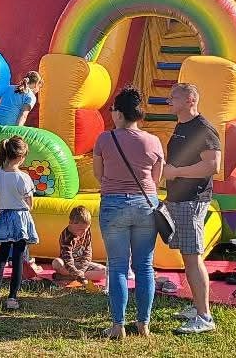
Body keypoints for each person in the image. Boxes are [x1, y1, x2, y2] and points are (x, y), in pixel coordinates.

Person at [91, 87, 165, 339]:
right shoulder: (154, 141)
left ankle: (117, 326)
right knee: (144, 266)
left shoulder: (104, 139)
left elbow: (99, 176)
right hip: (146, 205)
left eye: (113, 110)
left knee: (119, 267)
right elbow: (156, 179)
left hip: (113, 204)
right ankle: (144, 323)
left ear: (119, 114)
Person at [162, 82, 221, 334]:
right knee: (188, 256)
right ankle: (197, 307)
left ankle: (204, 317)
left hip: (192, 200)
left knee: (193, 256)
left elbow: (212, 166)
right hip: (178, 197)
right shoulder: (182, 126)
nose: (168, 101)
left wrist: (176, 172)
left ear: (189, 100)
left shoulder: (203, 129)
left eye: (173, 97)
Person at [0, 136, 38, 310]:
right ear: (21, 157)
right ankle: (12, 297)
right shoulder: (23, 177)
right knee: (18, 258)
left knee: (1, 258)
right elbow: (30, 203)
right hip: (20, 217)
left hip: (4, 217)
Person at [51, 206, 107, 284]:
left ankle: (68, 277)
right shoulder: (67, 237)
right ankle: (77, 277)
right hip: (68, 265)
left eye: (85, 230)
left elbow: (88, 253)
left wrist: (81, 270)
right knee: (56, 263)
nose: (82, 233)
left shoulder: (86, 232)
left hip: (81, 264)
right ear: (70, 223)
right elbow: (67, 259)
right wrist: (75, 272)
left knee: (105, 271)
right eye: (79, 230)